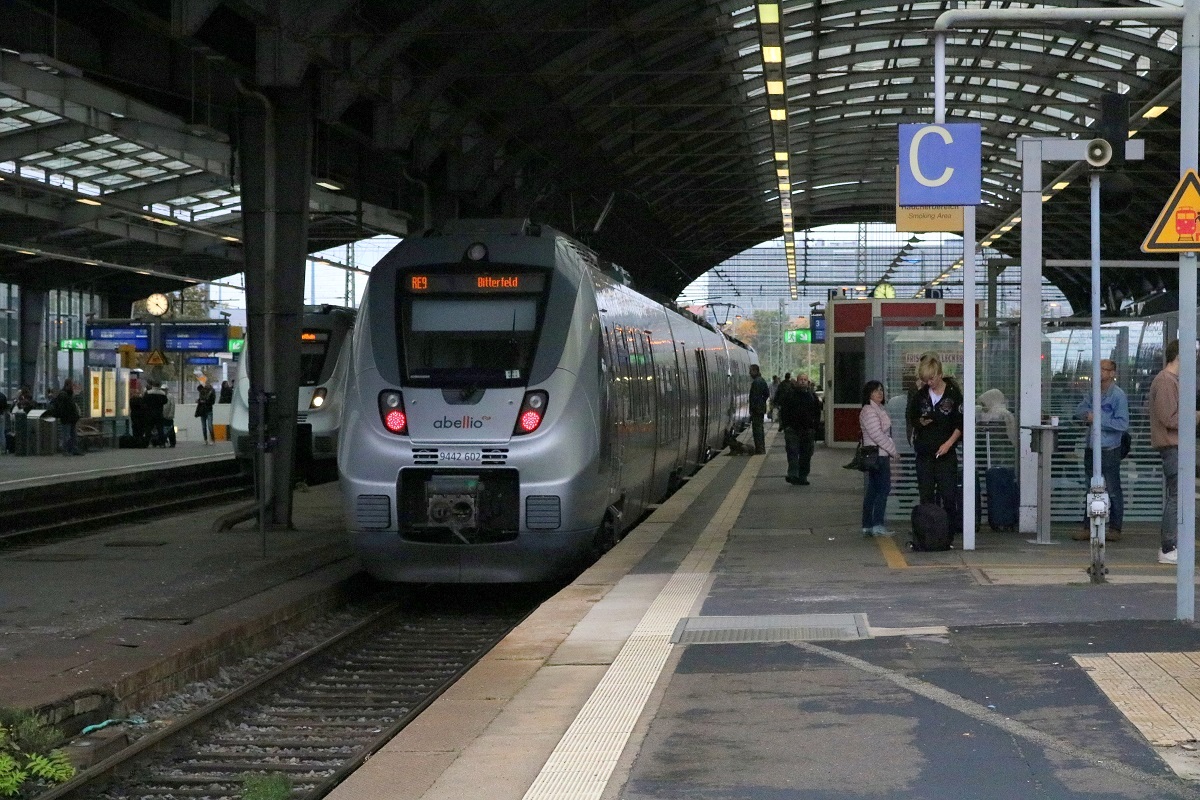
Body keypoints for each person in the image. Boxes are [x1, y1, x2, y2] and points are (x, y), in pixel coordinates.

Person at [1148, 339, 1197, 565]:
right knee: (1176, 497)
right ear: (1179, 356)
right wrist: (1195, 416)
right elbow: (1168, 417)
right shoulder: (1167, 381)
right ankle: (1168, 547)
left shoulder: (1170, 380)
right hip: (1172, 445)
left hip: (1175, 445)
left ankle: (1171, 545)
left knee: (1178, 496)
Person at [906, 353, 964, 539]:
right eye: (925, 380)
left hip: (946, 453)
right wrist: (920, 422)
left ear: (939, 374)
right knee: (926, 495)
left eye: (931, 378)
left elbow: (960, 424)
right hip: (925, 453)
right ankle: (927, 535)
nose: (929, 383)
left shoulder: (953, 395)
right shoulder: (920, 396)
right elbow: (912, 417)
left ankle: (948, 535)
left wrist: (949, 444)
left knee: (948, 495)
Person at [1073, 359, 1129, 542]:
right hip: (1092, 446)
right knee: (1090, 487)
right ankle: (1088, 526)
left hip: (1109, 448)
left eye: (1104, 370)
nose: (1100, 374)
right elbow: (1080, 409)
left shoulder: (1118, 396)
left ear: (1112, 373)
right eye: (1098, 370)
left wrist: (1098, 418)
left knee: (1112, 489)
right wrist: (1086, 415)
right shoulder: (1093, 392)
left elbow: (1122, 423)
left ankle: (1115, 528)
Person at [860, 380, 899, 537]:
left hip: (879, 455)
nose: (880, 393)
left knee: (873, 490)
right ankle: (877, 524)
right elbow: (877, 435)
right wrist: (893, 451)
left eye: (881, 390)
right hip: (879, 456)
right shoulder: (869, 411)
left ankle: (868, 524)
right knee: (883, 490)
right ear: (869, 394)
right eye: (876, 391)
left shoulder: (878, 409)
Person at [776, 374, 821, 485]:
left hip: (808, 430)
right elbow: (783, 411)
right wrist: (786, 426)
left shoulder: (812, 397)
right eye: (800, 380)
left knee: (806, 454)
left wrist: (815, 427)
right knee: (792, 452)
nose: (802, 382)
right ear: (796, 382)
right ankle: (793, 474)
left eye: (805, 380)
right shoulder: (789, 395)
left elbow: (817, 413)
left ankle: (803, 476)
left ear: (808, 382)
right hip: (792, 429)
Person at [51, 379, 83, 456]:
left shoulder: (69, 394)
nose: (73, 387)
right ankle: (66, 450)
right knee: (66, 435)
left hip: (71, 419)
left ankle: (73, 449)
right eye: (72, 385)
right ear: (68, 385)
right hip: (67, 419)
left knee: (72, 434)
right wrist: (66, 415)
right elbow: (63, 408)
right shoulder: (64, 395)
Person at [748, 364, 770, 455]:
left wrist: (753, 408)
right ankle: (761, 448)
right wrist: (762, 402)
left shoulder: (756, 382)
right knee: (759, 428)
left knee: (757, 430)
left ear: (755, 371)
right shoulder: (762, 381)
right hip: (760, 408)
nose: (750, 373)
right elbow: (767, 394)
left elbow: (754, 397)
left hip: (756, 410)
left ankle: (760, 449)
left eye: (751, 371)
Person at [161, 383, 177, 447]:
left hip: (168, 416)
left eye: (164, 389)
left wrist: (171, 414)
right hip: (163, 415)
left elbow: (172, 406)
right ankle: (163, 441)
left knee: (170, 430)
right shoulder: (162, 396)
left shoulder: (170, 396)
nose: (163, 391)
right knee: (163, 429)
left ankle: (172, 442)